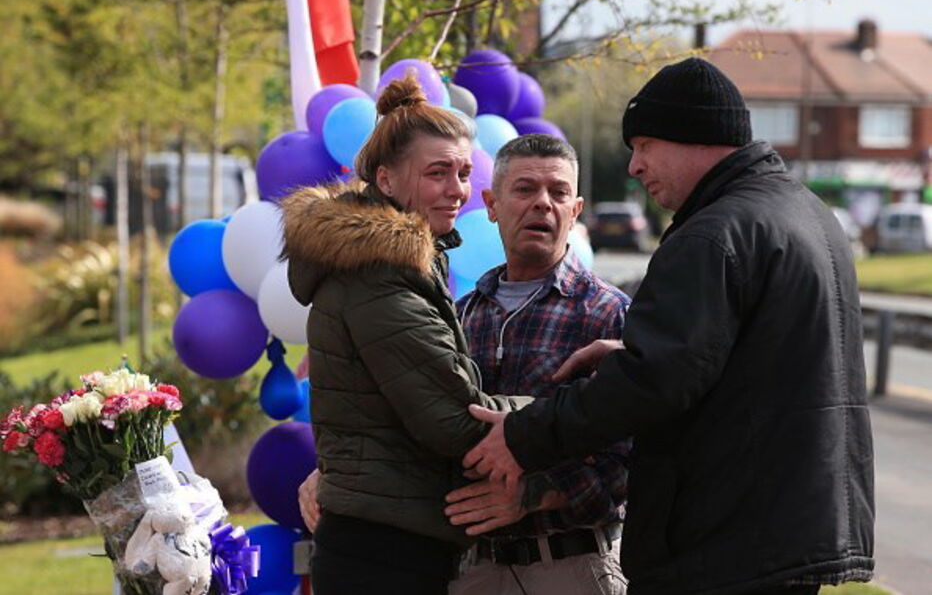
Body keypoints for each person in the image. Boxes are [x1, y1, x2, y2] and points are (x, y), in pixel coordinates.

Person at [462, 57, 876, 594]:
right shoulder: (806, 215)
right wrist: (628, 356)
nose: (634, 166)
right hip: (781, 529)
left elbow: (657, 380)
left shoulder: (714, 234)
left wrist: (522, 434)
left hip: (726, 540)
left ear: (690, 135)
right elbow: (740, 364)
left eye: (643, 146)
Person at [281, 75, 529, 595]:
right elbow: (455, 421)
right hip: (384, 553)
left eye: (463, 172)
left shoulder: (401, 264)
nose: (458, 190)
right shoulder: (378, 272)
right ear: (387, 181)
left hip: (389, 541)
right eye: (438, 173)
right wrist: (575, 408)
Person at [445, 134, 631, 595]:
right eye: (525, 189)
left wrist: (533, 495)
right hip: (472, 570)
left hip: (572, 567)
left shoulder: (610, 315)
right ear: (491, 204)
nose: (543, 204)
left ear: (577, 209)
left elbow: (637, 457)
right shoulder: (459, 315)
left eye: (558, 192)